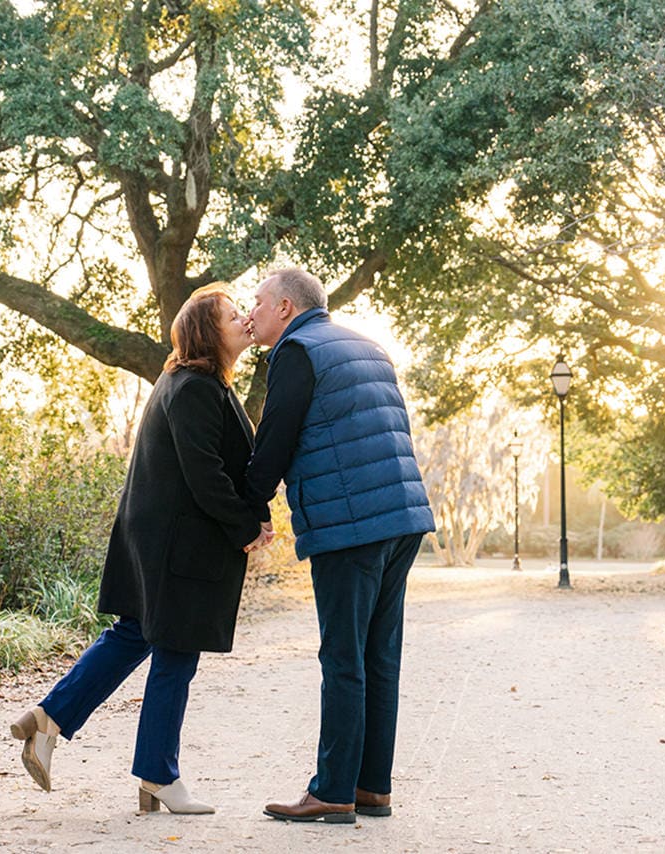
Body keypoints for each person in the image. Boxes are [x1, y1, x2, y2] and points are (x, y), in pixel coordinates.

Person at [9, 285, 272, 814]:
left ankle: (48, 718)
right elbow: (206, 473)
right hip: (179, 546)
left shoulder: (189, 382)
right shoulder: (195, 386)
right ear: (205, 331)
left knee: (134, 635)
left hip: (159, 540)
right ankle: (158, 776)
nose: (244, 317)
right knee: (175, 650)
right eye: (231, 314)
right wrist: (247, 523)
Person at [245, 268, 435, 824]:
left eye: (256, 302)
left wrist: (247, 508)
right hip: (401, 517)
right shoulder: (369, 348)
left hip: (351, 525)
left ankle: (332, 790)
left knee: (343, 656)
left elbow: (274, 440)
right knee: (380, 655)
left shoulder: (297, 350)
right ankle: (372, 786)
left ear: (284, 306)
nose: (249, 313)